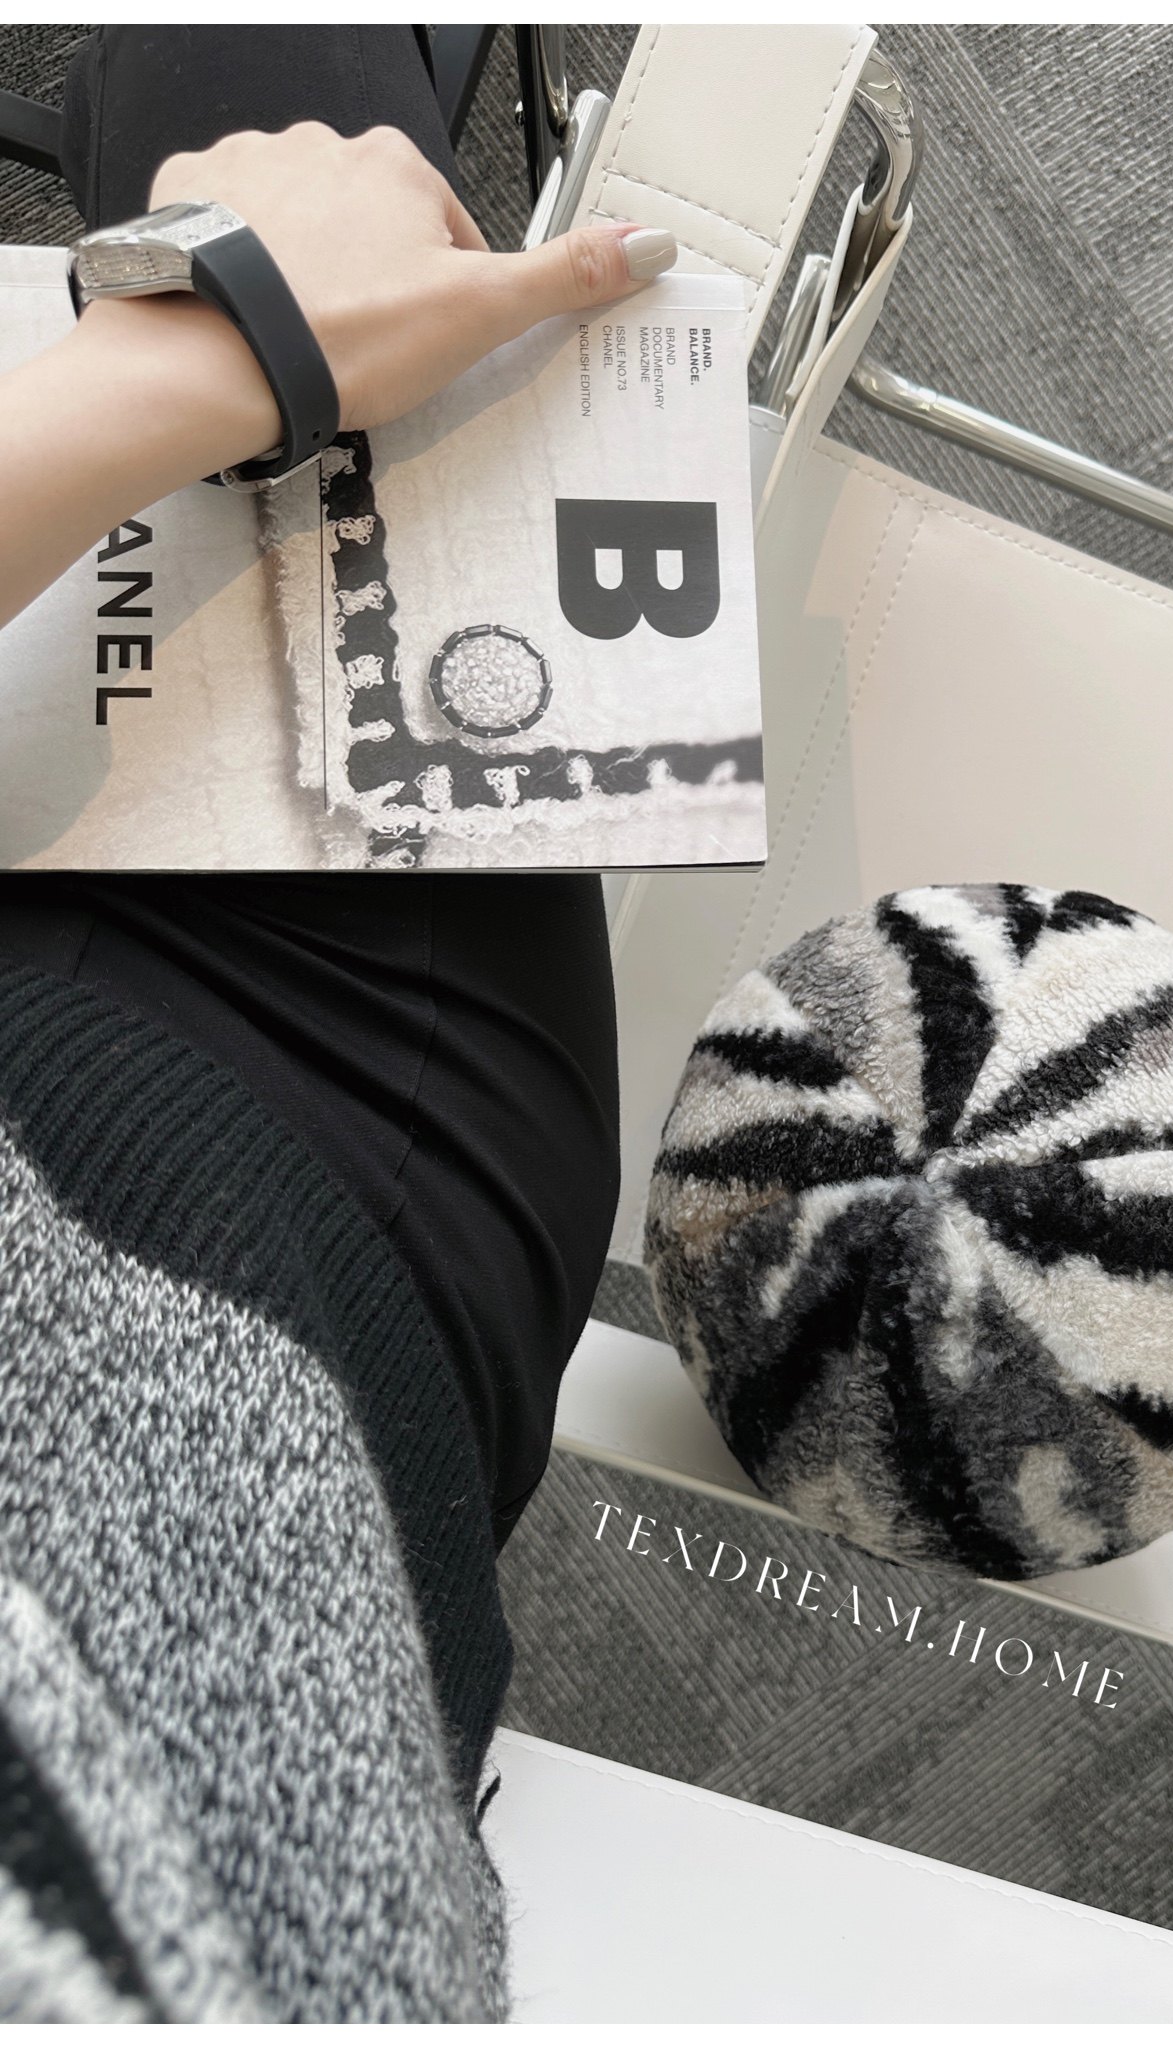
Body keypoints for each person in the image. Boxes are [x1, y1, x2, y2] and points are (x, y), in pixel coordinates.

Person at [0, 26, 673, 2021]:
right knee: (242, 83)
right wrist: (221, 344)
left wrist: (191, 355)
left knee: (247, 156)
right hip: (234, 1186)